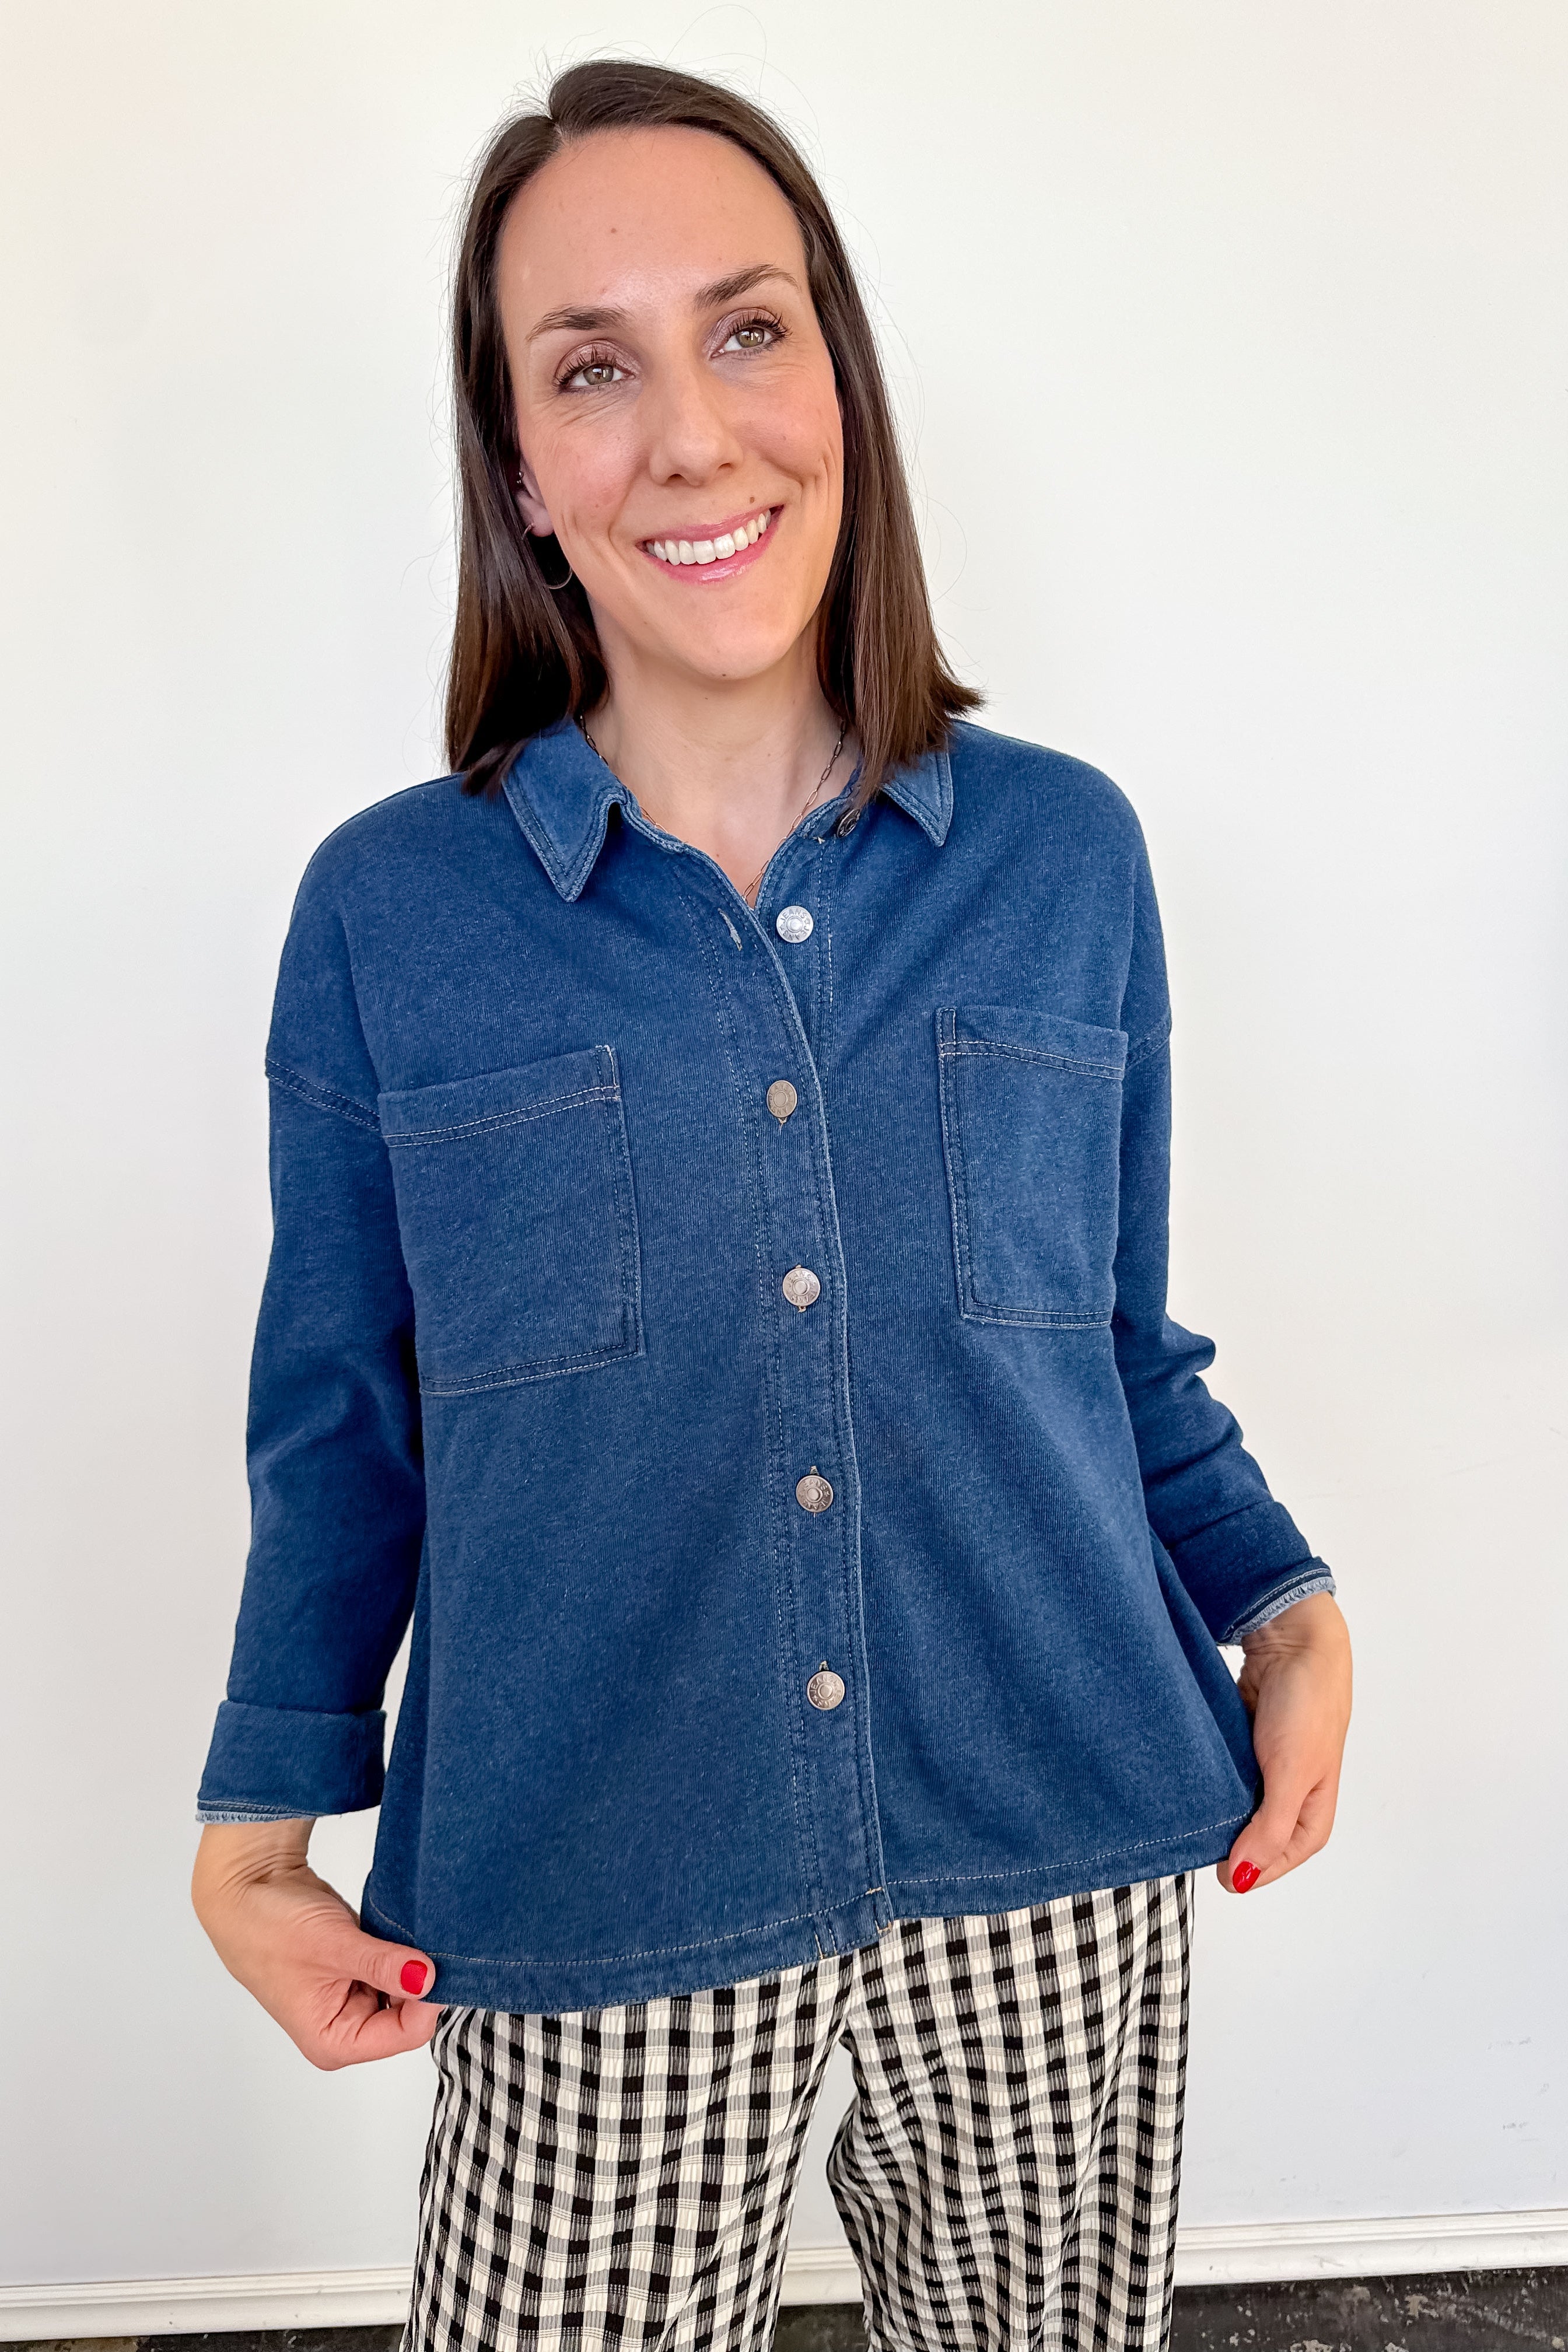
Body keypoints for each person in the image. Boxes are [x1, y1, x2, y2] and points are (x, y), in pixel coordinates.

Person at [191, 58, 1353, 2352]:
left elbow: (1110, 1345)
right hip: (591, 1879)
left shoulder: (1068, 858)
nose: (693, 437)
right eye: (591, 369)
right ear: (519, 469)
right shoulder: (390, 915)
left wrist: (1286, 1603)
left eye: (747, 331)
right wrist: (263, 1812)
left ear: (842, 380)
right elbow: (343, 1425)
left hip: (1062, 1848)